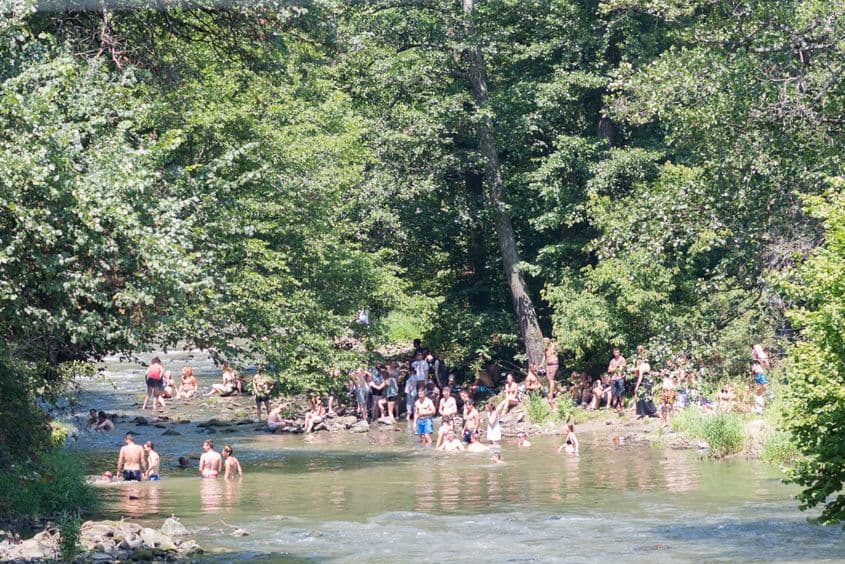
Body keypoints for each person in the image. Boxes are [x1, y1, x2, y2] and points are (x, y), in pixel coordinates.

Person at [608, 347, 626, 414]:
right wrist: (616, 367)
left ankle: (622, 406)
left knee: (621, 393)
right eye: (615, 352)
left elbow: (621, 369)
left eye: (617, 352)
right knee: (614, 394)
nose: (616, 354)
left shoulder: (622, 359)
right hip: (613, 379)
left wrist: (613, 368)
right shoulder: (612, 361)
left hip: (620, 378)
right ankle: (614, 407)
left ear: (619, 352)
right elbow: (609, 370)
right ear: (613, 353)